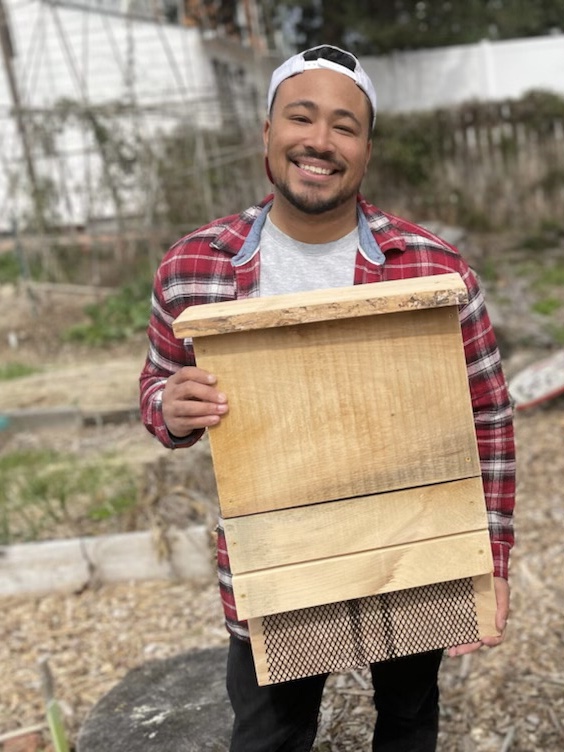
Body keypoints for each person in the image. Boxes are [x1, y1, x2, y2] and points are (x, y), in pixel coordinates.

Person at [139, 44, 516, 752]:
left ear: (367, 148)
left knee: (406, 724)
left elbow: (488, 412)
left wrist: (488, 562)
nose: (319, 140)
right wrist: (171, 408)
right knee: (270, 736)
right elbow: (155, 390)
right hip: (276, 560)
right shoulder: (194, 266)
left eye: (344, 125)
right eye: (301, 117)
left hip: (410, 552)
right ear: (267, 133)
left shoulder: (432, 268)